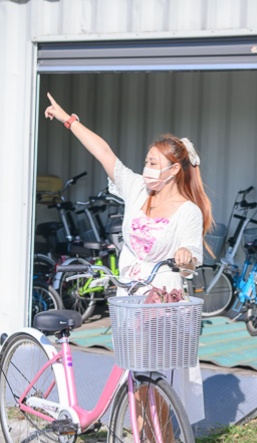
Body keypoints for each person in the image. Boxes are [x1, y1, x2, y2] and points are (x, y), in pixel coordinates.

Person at [43, 92, 213, 424]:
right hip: (128, 299)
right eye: (146, 162)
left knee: (158, 381)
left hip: (162, 302)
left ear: (174, 169)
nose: (146, 168)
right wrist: (68, 119)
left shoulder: (188, 212)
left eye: (153, 163)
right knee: (135, 380)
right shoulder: (136, 188)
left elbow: (193, 256)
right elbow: (104, 152)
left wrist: (185, 258)